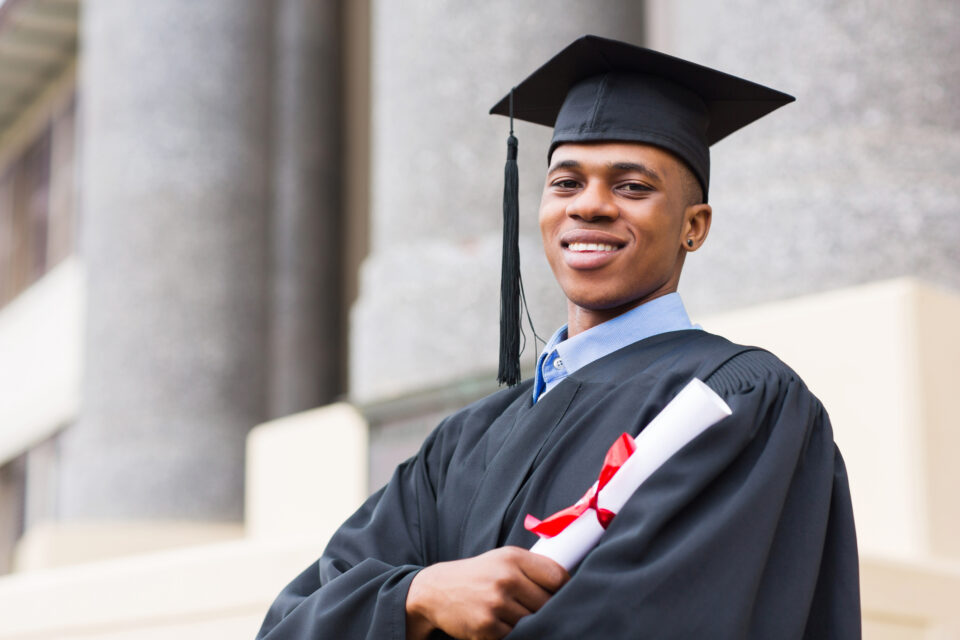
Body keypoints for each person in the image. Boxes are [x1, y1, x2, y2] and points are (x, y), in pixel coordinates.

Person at [256, 35, 861, 640]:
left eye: (632, 187)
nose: (590, 206)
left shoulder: (738, 403)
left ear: (693, 227)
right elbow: (290, 623)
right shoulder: (464, 443)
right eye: (566, 183)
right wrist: (419, 596)